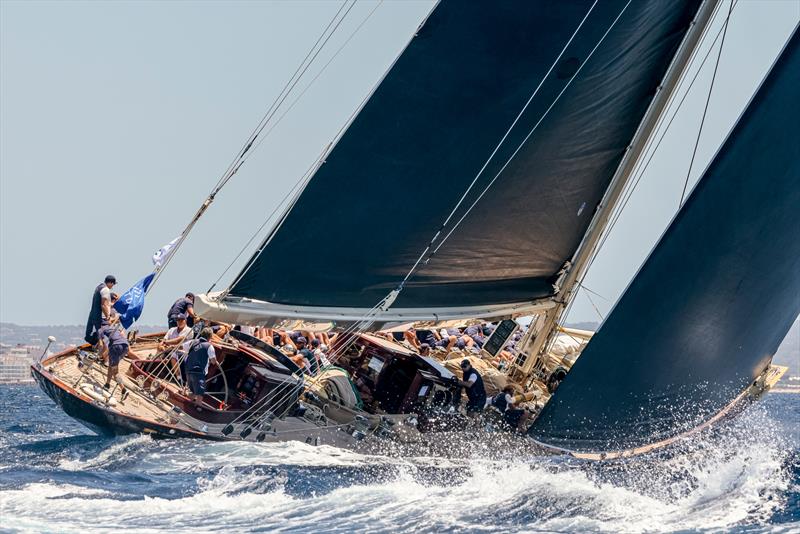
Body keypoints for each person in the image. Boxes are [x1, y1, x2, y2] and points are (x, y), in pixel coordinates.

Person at [183, 327, 217, 406]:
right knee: (200, 394)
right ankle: (198, 408)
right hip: (199, 373)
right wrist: (216, 361)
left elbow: (182, 347)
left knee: (193, 392)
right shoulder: (209, 346)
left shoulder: (193, 342)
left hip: (188, 370)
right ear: (210, 337)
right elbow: (213, 361)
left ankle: (185, 404)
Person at [84, 275, 116, 345]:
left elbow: (103, 303)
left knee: (89, 333)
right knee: (100, 334)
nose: (112, 287)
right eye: (113, 284)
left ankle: (95, 344)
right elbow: (103, 305)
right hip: (98, 315)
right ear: (111, 283)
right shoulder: (105, 289)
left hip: (92, 313)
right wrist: (108, 316)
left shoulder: (99, 287)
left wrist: (111, 304)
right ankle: (101, 348)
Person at [98, 322, 128, 390]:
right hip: (125, 347)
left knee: (115, 372)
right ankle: (107, 384)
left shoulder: (100, 329)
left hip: (116, 346)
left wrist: (99, 356)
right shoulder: (113, 327)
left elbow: (100, 345)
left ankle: (123, 389)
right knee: (111, 366)